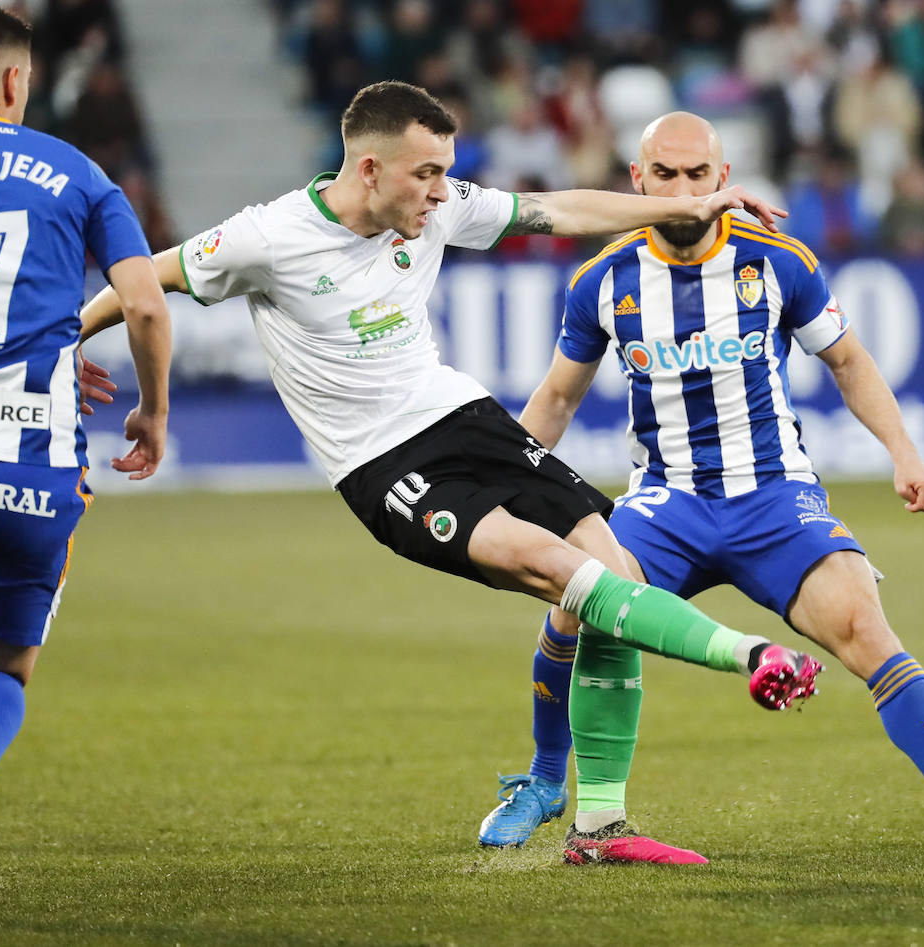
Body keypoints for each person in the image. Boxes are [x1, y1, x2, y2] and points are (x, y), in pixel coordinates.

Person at [77, 81, 830, 855]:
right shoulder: (266, 238)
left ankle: (600, 824)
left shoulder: (438, 206)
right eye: (426, 173)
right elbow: (145, 281)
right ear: (369, 169)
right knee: (566, 574)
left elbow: (560, 210)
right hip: (382, 464)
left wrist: (684, 209)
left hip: (461, 417)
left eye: (447, 171)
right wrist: (79, 349)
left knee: (616, 571)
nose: (443, 191)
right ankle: (754, 654)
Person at [478, 112, 924, 863]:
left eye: (696, 175)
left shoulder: (777, 260)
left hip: (774, 497)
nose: (681, 190)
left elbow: (850, 362)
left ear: (723, 180)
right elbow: (556, 399)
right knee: (580, 598)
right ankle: (546, 782)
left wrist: (907, 453)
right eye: (664, 175)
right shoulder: (603, 279)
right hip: (666, 501)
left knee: (866, 629)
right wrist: (502, 492)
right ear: (636, 181)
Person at [0, 2, 172, 891]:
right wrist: (150, 410)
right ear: (13, 80)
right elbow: (146, 304)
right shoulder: (77, 172)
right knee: (0, 662)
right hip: (36, 463)